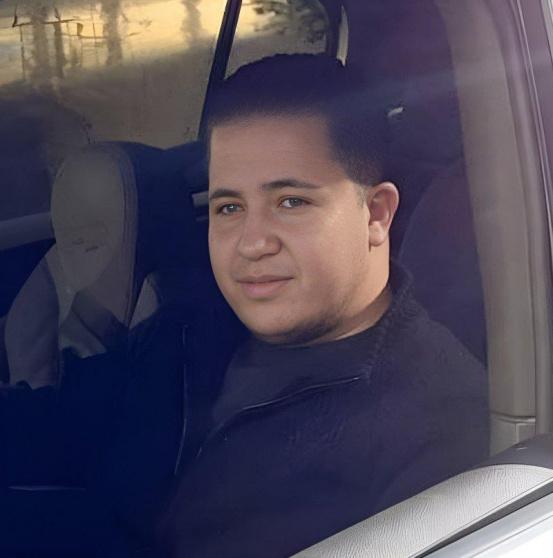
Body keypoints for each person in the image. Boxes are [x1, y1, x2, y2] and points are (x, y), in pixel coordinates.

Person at [158, 54, 489, 557]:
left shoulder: (436, 433)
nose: (252, 244)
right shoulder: (192, 329)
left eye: (291, 202)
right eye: (229, 207)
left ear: (376, 214)